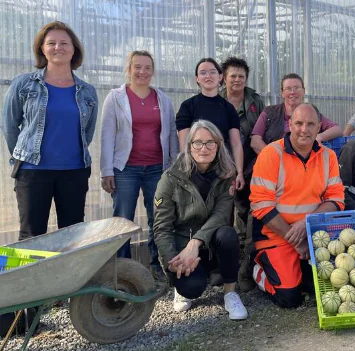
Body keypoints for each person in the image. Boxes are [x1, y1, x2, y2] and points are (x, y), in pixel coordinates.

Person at [1, 21, 98, 240]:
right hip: (33, 172)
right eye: (51, 43)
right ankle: (30, 276)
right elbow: (9, 124)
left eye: (64, 43)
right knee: (32, 235)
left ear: (74, 49)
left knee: (72, 235)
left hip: (74, 172)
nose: (58, 47)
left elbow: (87, 131)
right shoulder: (23, 84)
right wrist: (23, 155)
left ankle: (69, 276)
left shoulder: (87, 92)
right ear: (42, 49)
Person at [250, 104, 345, 308]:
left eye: (311, 124)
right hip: (275, 234)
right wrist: (296, 241)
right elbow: (261, 205)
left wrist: (306, 224)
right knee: (290, 298)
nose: (304, 129)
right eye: (299, 123)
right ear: (290, 124)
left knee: (328, 286)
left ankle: (299, 268)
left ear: (319, 126)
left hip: (313, 232)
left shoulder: (328, 157)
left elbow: (337, 199)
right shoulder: (271, 154)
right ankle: (257, 266)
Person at [153, 120, 248, 319]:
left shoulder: (226, 175)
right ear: (189, 147)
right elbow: (162, 228)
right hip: (182, 248)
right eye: (197, 143)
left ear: (218, 146)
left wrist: (196, 242)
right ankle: (182, 288)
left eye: (209, 143)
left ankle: (230, 293)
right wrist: (172, 262)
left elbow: (221, 215)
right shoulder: (170, 178)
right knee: (192, 288)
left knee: (228, 234)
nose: (203, 148)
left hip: (210, 244)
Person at [100, 50, 179, 279]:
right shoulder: (116, 97)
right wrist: (107, 170)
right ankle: (124, 270)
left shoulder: (162, 99)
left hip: (157, 168)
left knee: (159, 216)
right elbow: (106, 136)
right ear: (129, 69)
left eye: (147, 68)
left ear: (153, 72)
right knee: (123, 219)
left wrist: (173, 166)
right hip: (125, 169)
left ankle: (158, 265)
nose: (142, 72)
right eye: (137, 67)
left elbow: (171, 134)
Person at [219, 56, 265, 292]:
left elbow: (261, 131)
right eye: (232, 76)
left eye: (241, 76)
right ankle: (221, 267)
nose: (237, 80)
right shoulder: (215, 99)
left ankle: (246, 267)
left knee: (248, 213)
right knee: (222, 213)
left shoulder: (255, 101)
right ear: (224, 78)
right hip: (220, 166)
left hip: (250, 165)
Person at [176, 57, 245, 192]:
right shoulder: (187, 106)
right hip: (195, 169)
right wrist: (187, 170)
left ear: (220, 77)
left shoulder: (228, 108)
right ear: (197, 78)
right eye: (203, 73)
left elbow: (236, 143)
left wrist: (239, 172)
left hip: (223, 169)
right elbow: (184, 142)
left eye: (212, 72)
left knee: (223, 210)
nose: (208, 76)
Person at [249, 73, 342, 154]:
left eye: (296, 88)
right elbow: (255, 141)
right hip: (273, 164)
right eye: (288, 89)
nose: (293, 92)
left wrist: (319, 137)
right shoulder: (269, 112)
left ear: (303, 91)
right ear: (282, 93)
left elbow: (337, 130)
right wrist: (275, 156)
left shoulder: (311, 113)